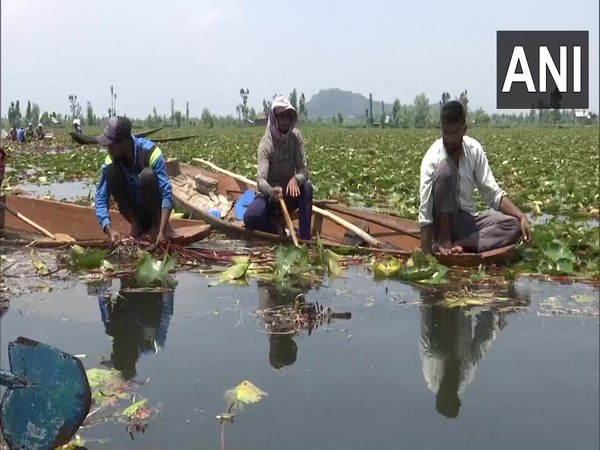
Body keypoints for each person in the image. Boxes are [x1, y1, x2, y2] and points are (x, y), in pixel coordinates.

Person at [419, 101, 531, 255]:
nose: (450, 139)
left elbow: (492, 193)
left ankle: (461, 245)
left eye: (455, 133)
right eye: (446, 133)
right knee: (445, 169)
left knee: (513, 225)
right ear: (441, 129)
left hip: (466, 222)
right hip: (439, 226)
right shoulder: (432, 158)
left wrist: (521, 215)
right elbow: (425, 213)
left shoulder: (474, 150)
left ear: (464, 130)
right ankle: (444, 240)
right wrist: (426, 254)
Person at [94, 116, 175, 244]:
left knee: (147, 175)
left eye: (111, 144)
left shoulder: (151, 152)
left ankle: (156, 227)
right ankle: (136, 226)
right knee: (111, 173)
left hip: (155, 211)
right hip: (135, 213)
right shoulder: (111, 160)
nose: (108, 148)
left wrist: (162, 231)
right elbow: (101, 198)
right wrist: (109, 230)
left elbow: (166, 192)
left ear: (124, 142)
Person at [243, 96, 313, 241]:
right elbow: (261, 179)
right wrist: (271, 190)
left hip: (289, 194)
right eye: (282, 117)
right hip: (270, 197)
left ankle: (305, 238)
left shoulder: (295, 137)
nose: (286, 121)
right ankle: (279, 231)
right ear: (275, 118)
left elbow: (304, 170)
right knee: (250, 217)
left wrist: (295, 179)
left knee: (307, 187)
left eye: (288, 117)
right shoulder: (266, 144)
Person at [96, 277, 174, 380]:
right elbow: (166, 312)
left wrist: (105, 278)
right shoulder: (153, 343)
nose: (112, 352)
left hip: (135, 280)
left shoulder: (111, 330)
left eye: (113, 354)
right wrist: (167, 284)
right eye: (114, 355)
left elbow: (103, 298)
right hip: (152, 282)